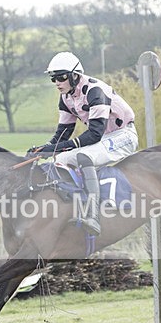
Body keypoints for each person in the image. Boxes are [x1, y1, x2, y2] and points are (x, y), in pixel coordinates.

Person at [27, 52, 138, 236]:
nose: (57, 82)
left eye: (61, 77)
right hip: (104, 138)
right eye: (53, 78)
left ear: (75, 75)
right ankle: (73, 207)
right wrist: (43, 149)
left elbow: (94, 134)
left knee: (84, 156)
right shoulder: (66, 98)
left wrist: (56, 147)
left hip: (123, 135)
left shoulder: (95, 91)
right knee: (60, 159)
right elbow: (63, 134)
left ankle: (93, 215)